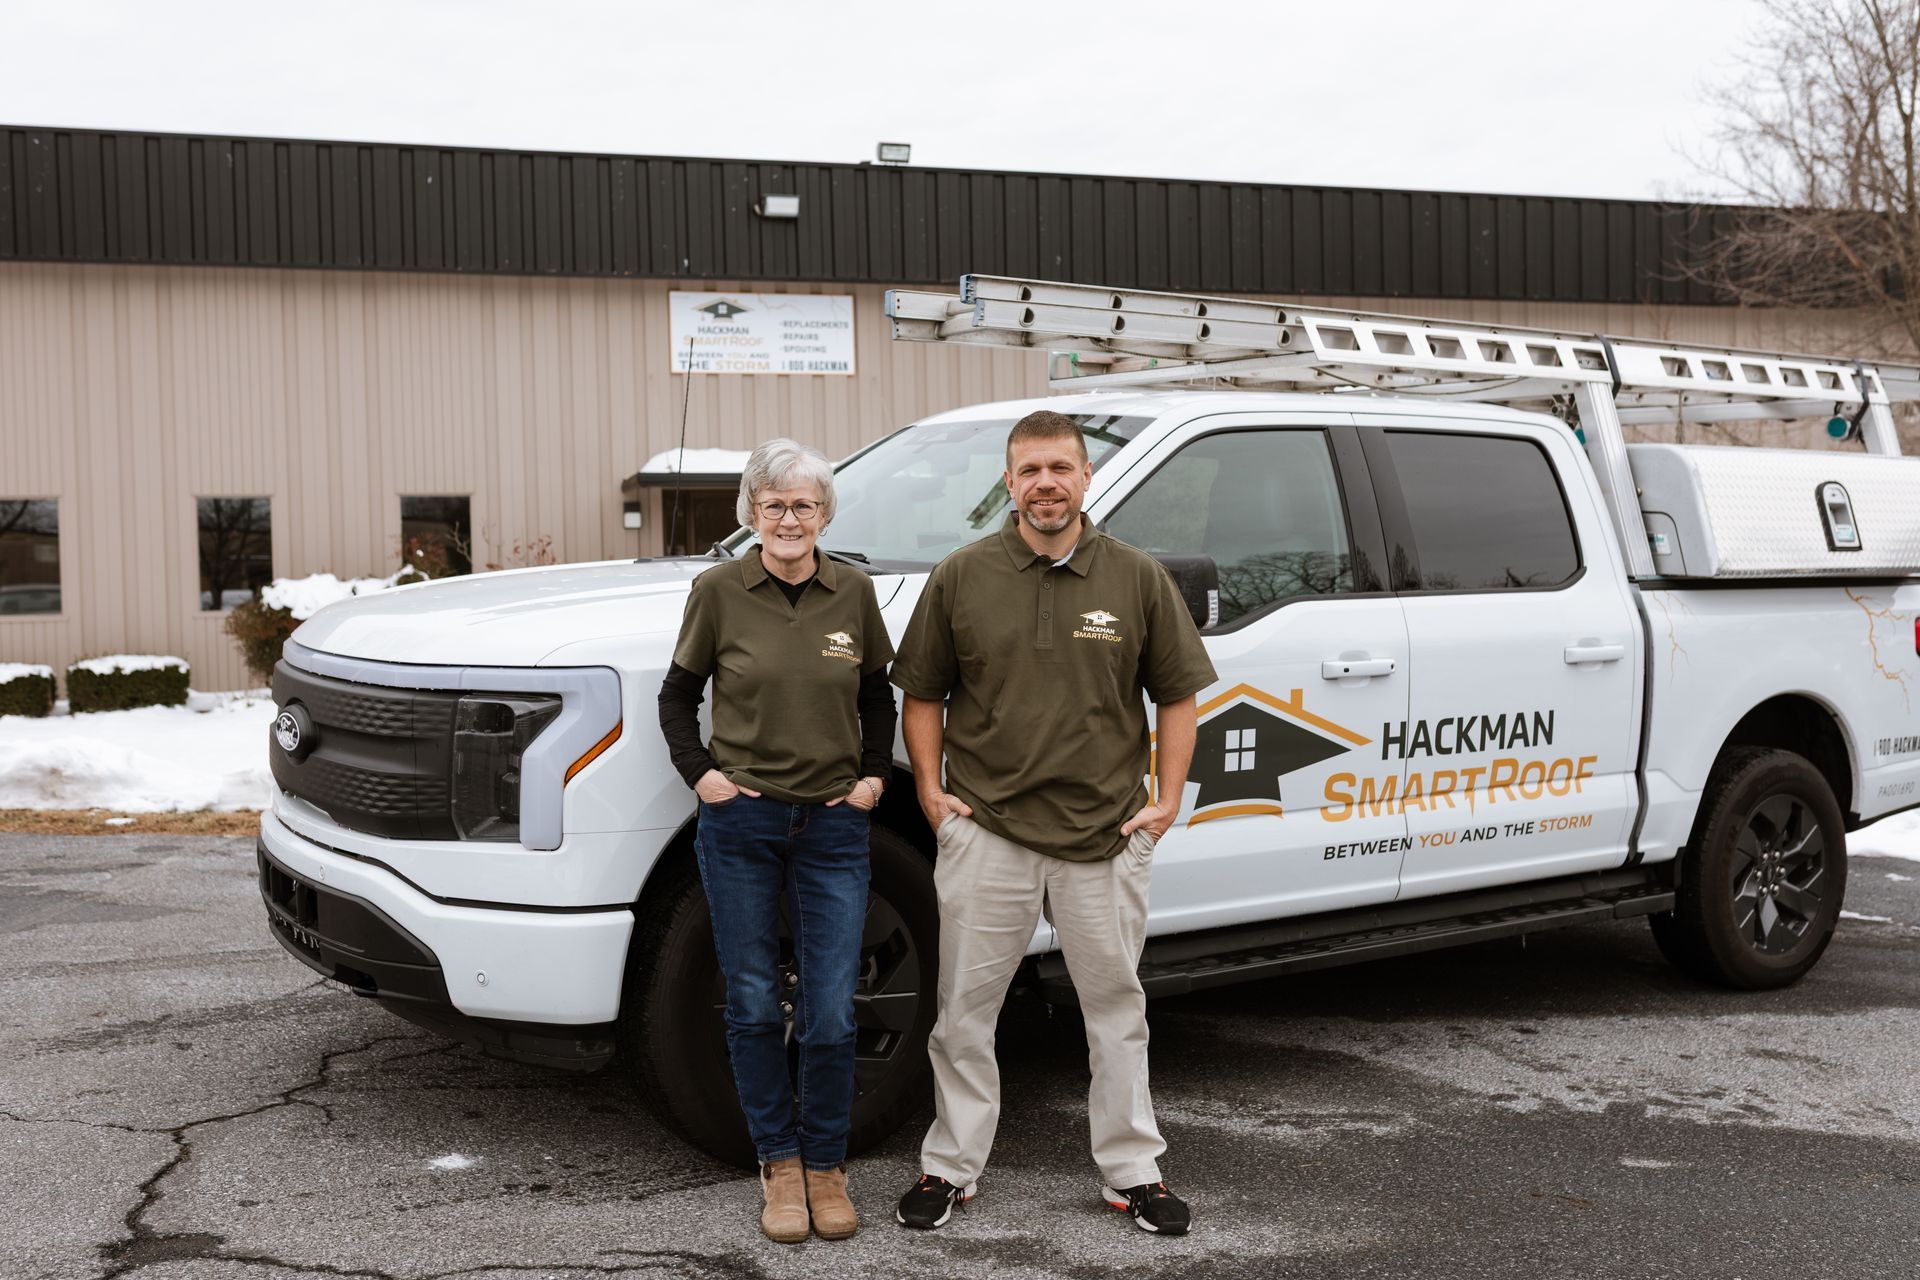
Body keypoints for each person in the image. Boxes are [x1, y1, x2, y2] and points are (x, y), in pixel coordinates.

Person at [888, 409, 1217, 1236]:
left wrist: (1166, 800)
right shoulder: (961, 576)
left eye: (1060, 468)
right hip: (989, 831)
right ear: (1009, 482)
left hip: (1103, 838)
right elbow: (921, 693)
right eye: (1030, 470)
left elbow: (1177, 693)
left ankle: (1133, 1172)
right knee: (964, 1013)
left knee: (1116, 1011)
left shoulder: (1135, 578)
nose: (1046, 484)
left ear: (1085, 477)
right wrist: (931, 793)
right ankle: (950, 1167)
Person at [657, 438, 896, 1244]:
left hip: (833, 825)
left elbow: (877, 699)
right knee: (755, 1002)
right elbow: (676, 696)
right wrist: (704, 776)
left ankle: (826, 1165)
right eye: (774, 505)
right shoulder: (719, 590)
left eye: (804, 505)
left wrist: (871, 781)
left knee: (830, 1011)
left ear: (825, 514)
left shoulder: (853, 593)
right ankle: (779, 1165)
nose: (790, 519)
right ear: (751, 513)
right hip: (742, 824)